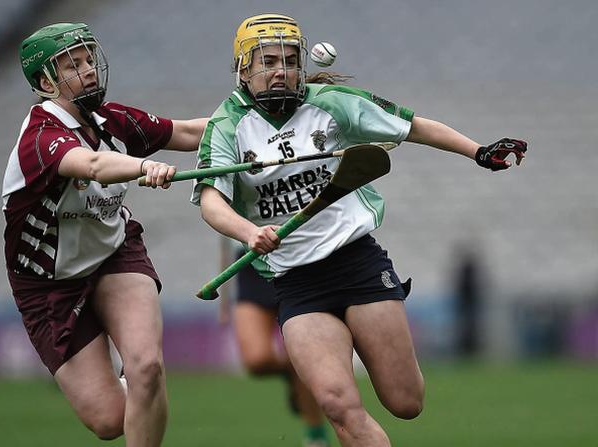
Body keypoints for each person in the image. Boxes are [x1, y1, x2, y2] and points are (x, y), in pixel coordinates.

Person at [191, 14, 527, 446]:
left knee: (406, 402)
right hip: (296, 282)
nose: (281, 70)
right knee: (338, 406)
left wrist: (478, 152)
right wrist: (247, 231)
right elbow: (210, 201)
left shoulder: (331, 103)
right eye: (268, 61)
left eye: (291, 60)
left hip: (357, 265)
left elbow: (413, 126)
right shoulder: (226, 126)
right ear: (243, 68)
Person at [1, 23, 207, 446]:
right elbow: (92, 165)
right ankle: (137, 403)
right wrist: (143, 166)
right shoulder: (39, 138)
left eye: (88, 59)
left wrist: (252, 121)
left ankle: (144, 394)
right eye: (73, 65)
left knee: (146, 367)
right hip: (48, 282)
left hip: (115, 252)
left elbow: (188, 132)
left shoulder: (111, 119)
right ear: (45, 82)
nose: (89, 70)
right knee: (110, 420)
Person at [218, 238, 330, 447]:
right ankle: (291, 372)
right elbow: (224, 241)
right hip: (249, 265)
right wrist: (224, 299)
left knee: (302, 359)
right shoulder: (223, 204)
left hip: (296, 261)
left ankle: (316, 436)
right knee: (256, 361)